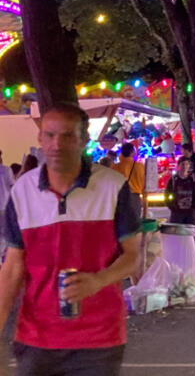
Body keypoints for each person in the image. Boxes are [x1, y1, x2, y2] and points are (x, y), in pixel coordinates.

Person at [0, 103, 140, 375]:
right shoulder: (22, 191)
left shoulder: (113, 187)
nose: (56, 144)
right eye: (50, 135)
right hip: (37, 338)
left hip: (98, 340)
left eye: (67, 136)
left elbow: (133, 257)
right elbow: (12, 270)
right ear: (40, 138)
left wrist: (98, 280)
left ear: (84, 141)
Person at [164, 156, 195, 225]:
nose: (185, 167)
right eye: (183, 164)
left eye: (187, 164)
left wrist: (194, 208)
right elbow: (167, 195)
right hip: (177, 213)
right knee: (177, 233)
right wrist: (172, 207)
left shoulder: (193, 179)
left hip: (190, 213)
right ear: (178, 166)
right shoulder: (173, 180)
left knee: (190, 233)